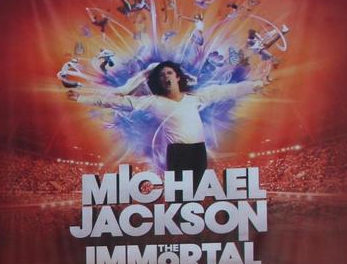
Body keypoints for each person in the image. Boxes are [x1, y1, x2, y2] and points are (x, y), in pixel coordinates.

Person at [67, 61, 267, 178]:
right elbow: (115, 102)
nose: (166, 77)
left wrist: (257, 84)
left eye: (169, 73)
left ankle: (194, 232)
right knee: (180, 194)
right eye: (161, 75)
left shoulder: (195, 99)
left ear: (178, 77)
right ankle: (180, 228)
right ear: (158, 81)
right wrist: (82, 97)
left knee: (197, 191)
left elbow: (227, 91)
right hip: (177, 153)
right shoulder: (153, 102)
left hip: (198, 150)